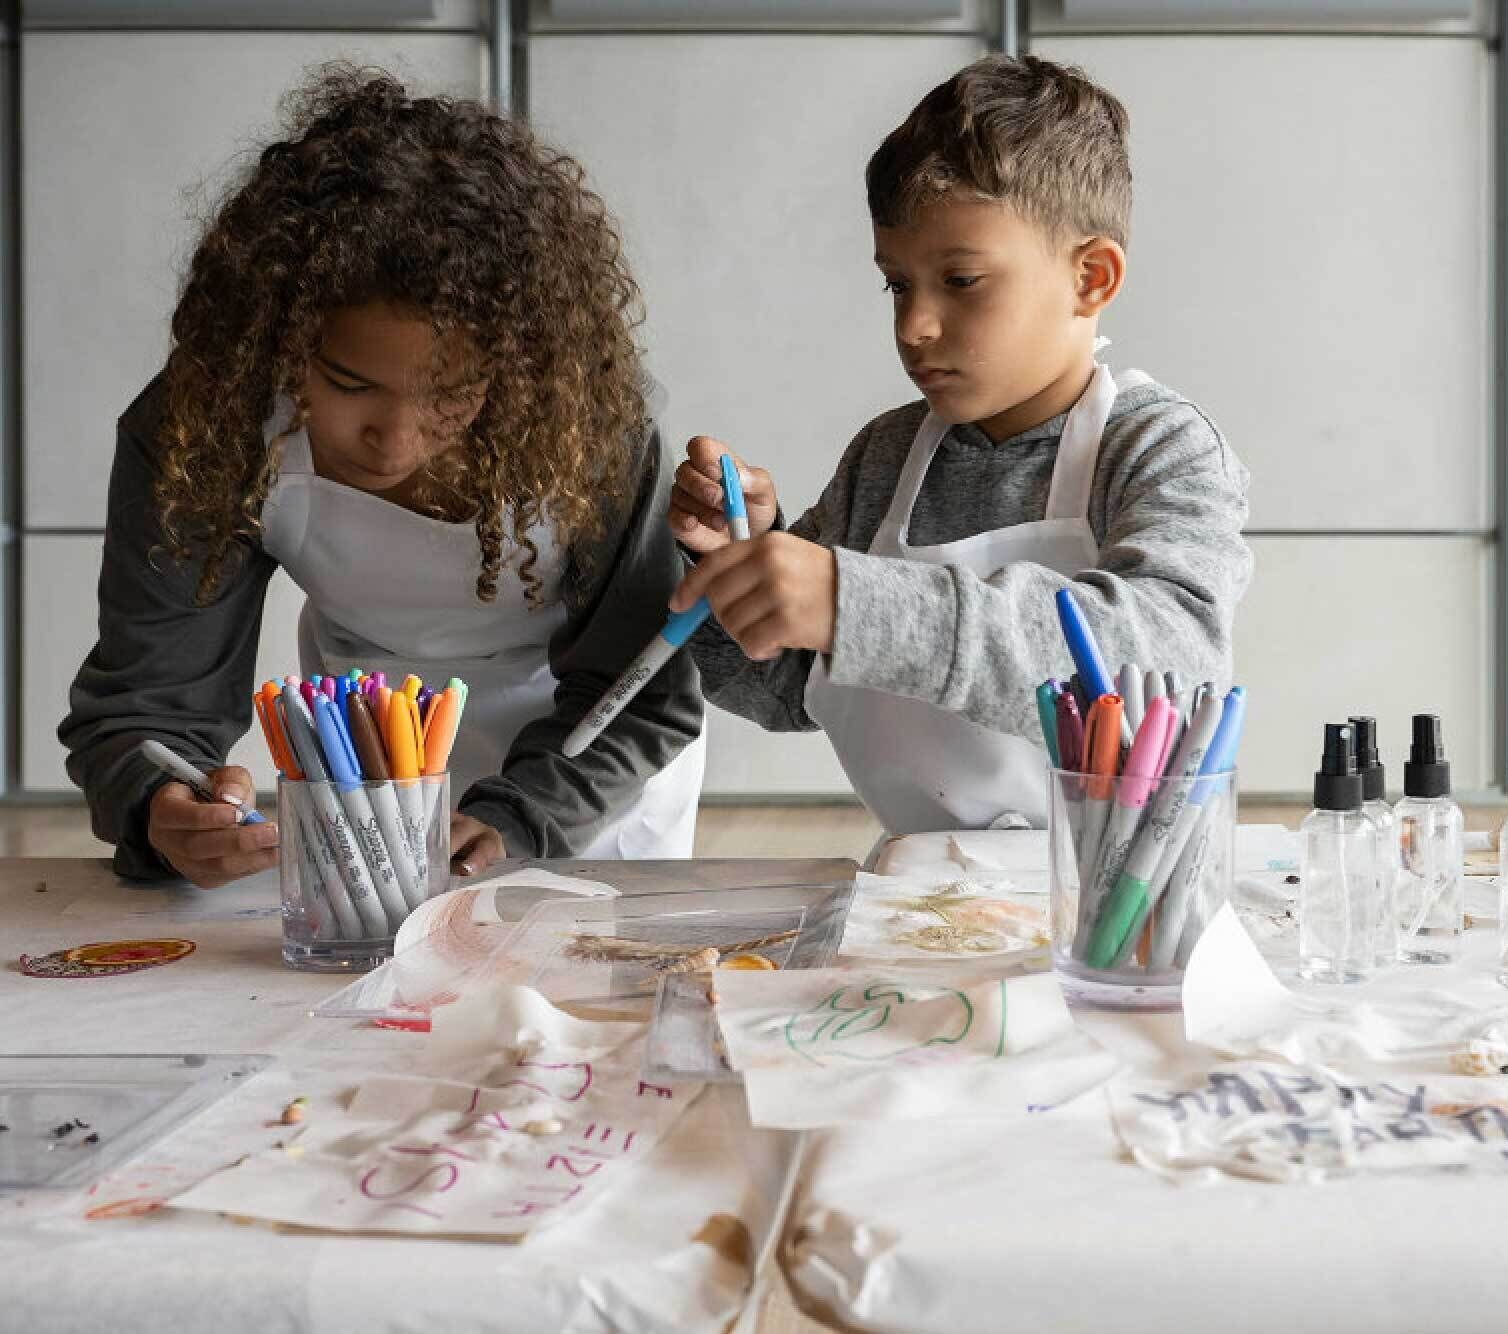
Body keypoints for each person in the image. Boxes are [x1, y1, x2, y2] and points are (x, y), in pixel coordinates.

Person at [60, 65, 704, 887]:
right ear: (282, 344)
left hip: (586, 764)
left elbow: (642, 683)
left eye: (452, 395)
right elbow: (148, 701)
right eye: (349, 384)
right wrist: (163, 804)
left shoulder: (583, 422)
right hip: (361, 741)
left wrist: (523, 816)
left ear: (511, 368)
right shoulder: (207, 422)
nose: (395, 440)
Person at [668, 54, 1252, 836]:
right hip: (930, 907)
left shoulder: (1158, 448)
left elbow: (1169, 668)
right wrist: (731, 563)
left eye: (963, 280)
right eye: (897, 284)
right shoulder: (885, 457)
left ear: (1092, 278)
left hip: (1119, 907)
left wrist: (852, 602)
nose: (914, 326)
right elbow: (779, 688)